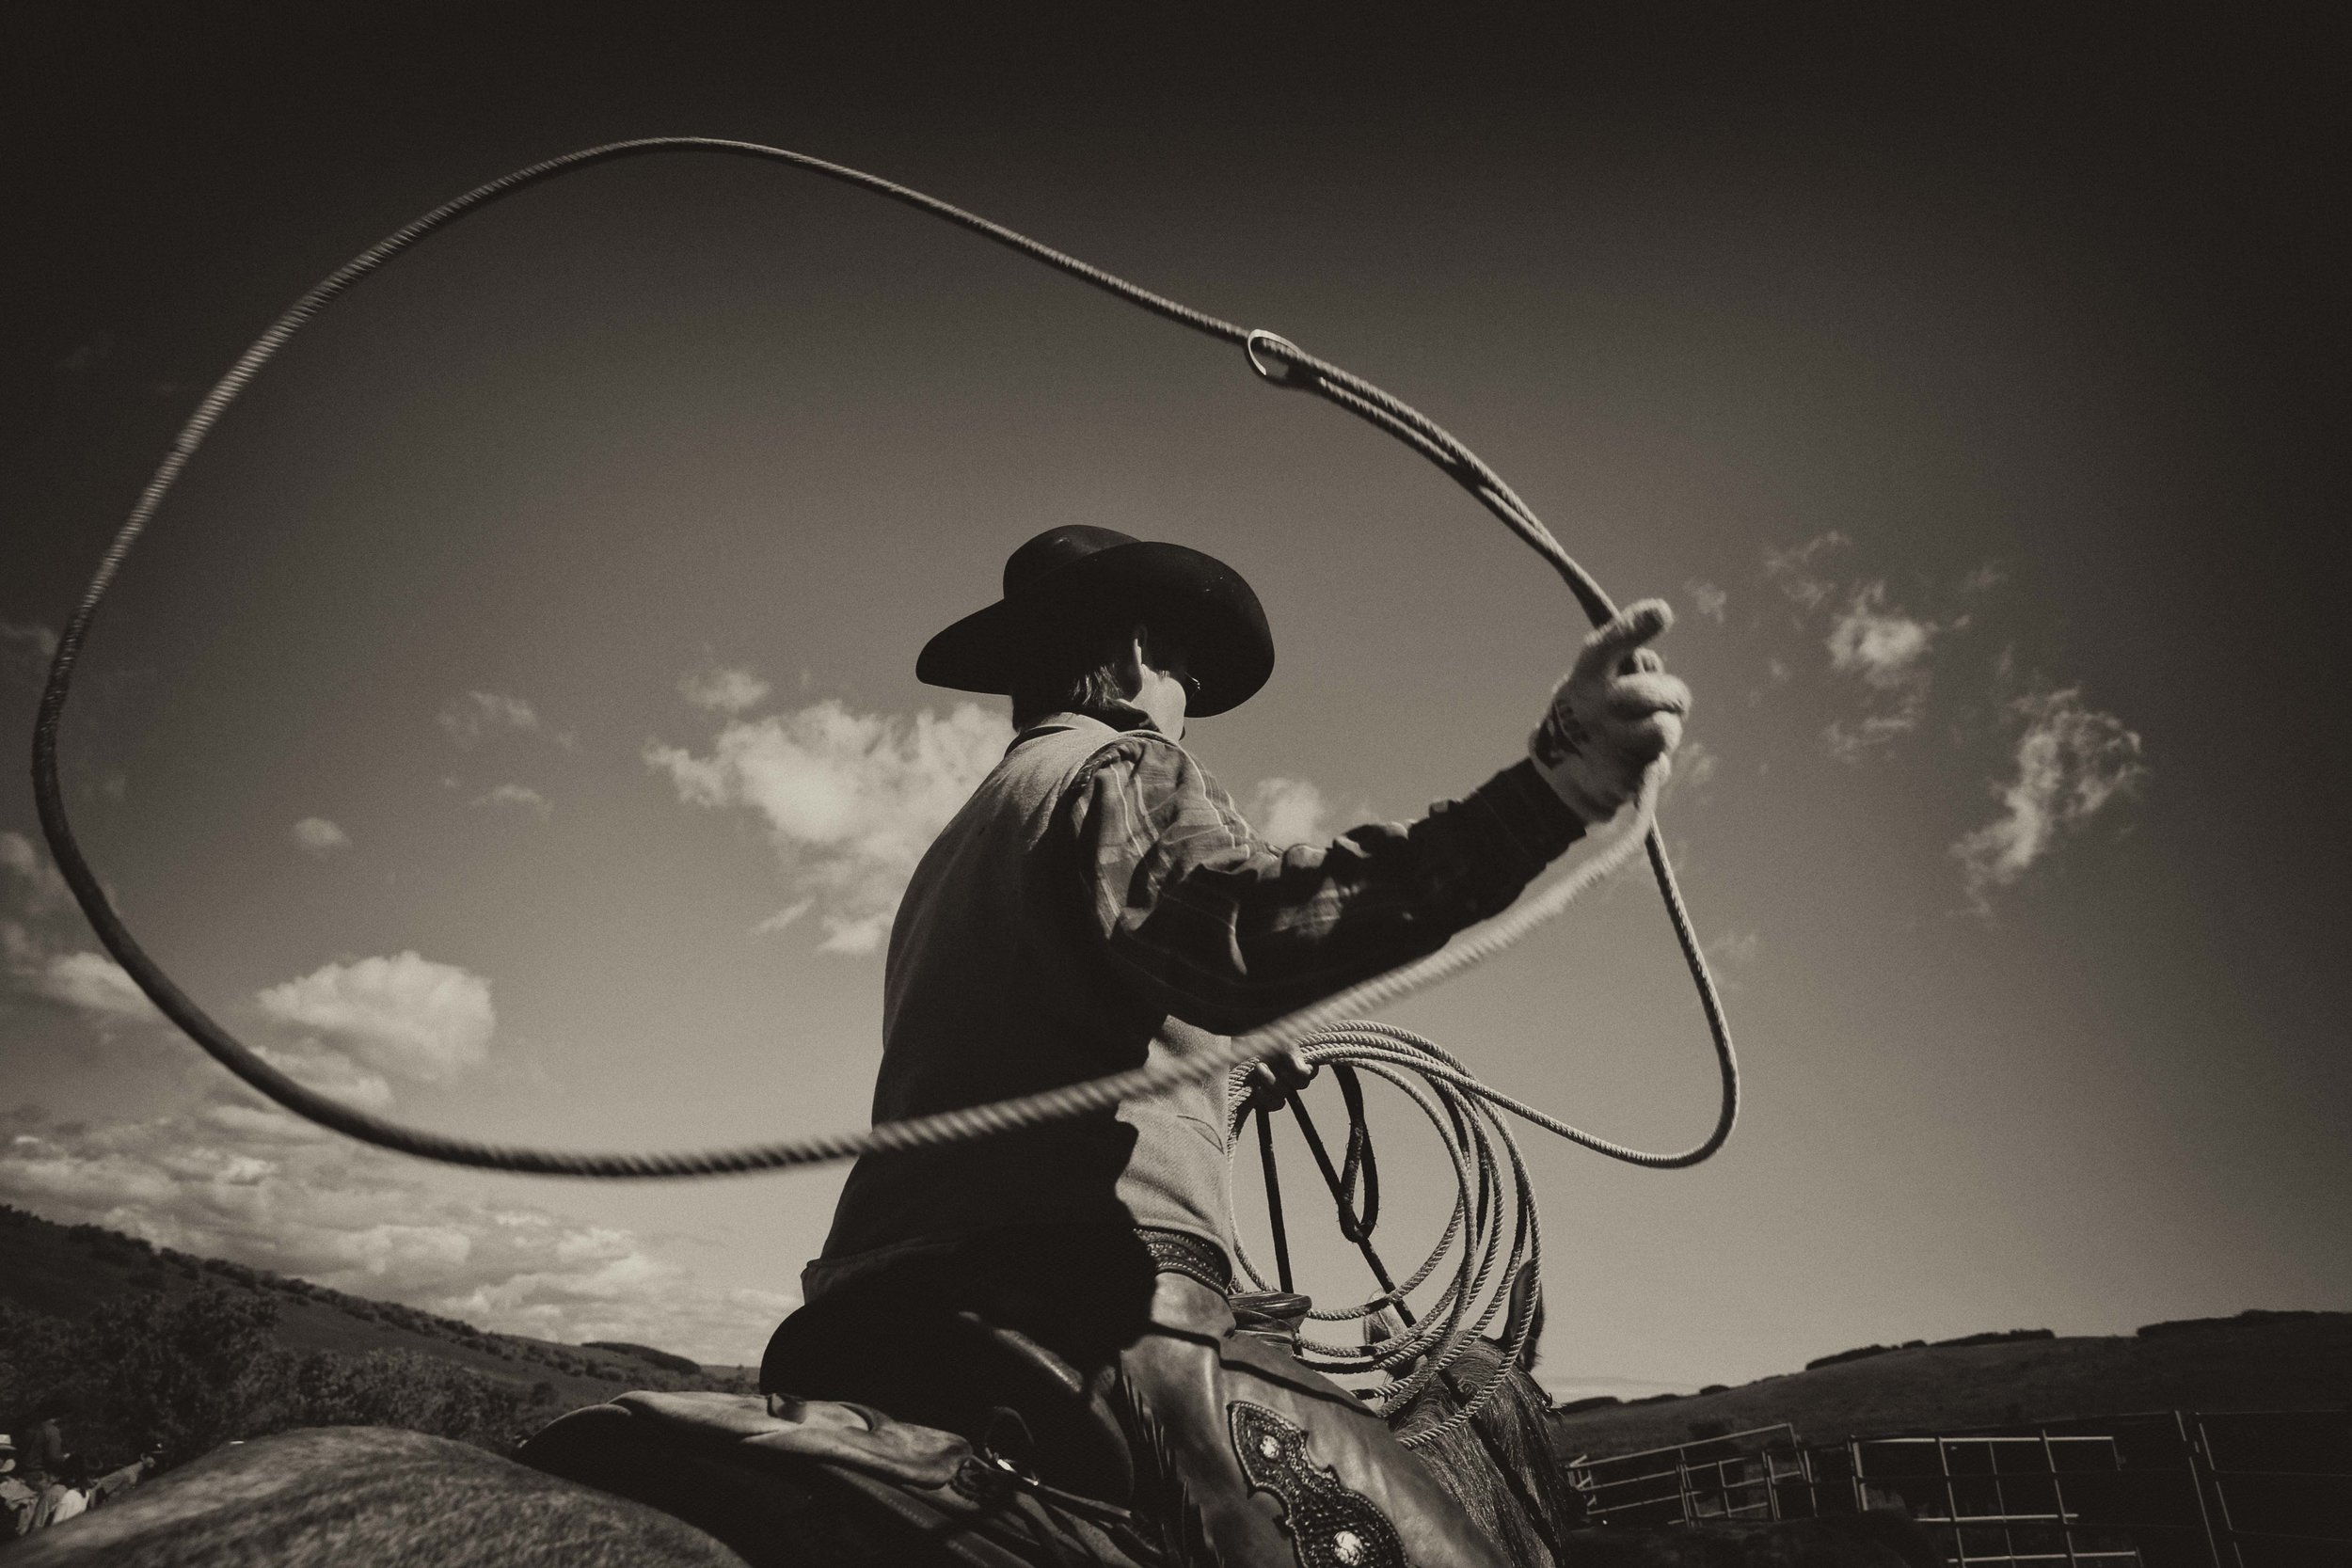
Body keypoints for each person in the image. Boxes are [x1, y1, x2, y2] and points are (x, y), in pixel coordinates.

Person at [761, 525, 1689, 1568]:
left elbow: (1077, 1008)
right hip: (1072, 1298)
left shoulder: (966, 836)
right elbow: (1240, 933)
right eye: (1184, 667)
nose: (1189, 697)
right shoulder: (1124, 766)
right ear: (1134, 655)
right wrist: (1550, 788)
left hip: (863, 1304)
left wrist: (1227, 1042)